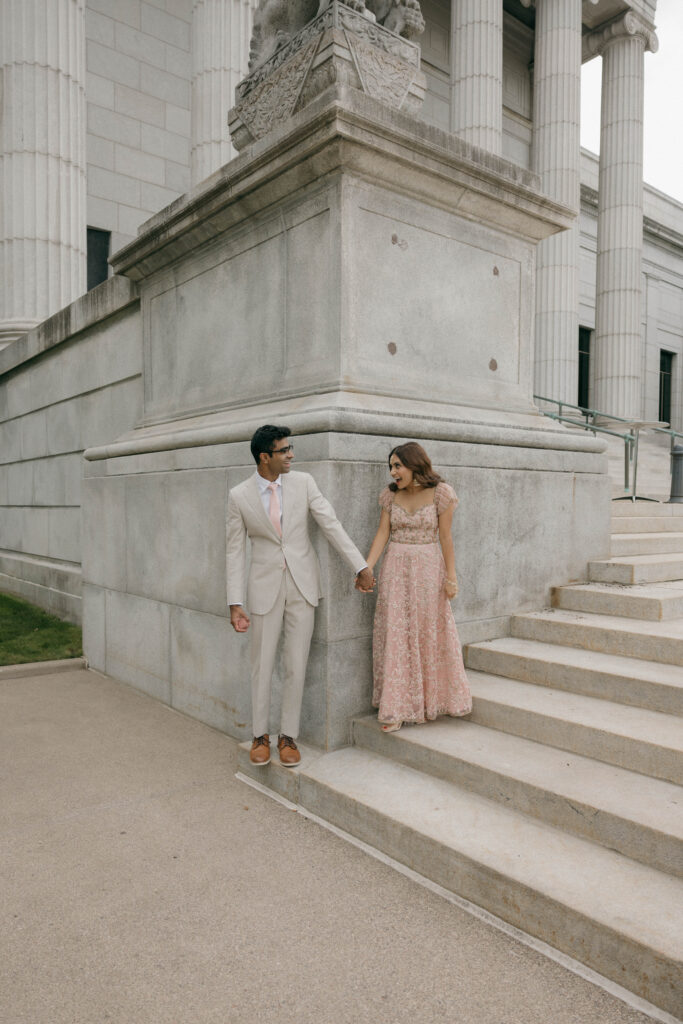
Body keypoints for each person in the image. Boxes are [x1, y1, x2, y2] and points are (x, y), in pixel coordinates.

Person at [227, 425, 375, 766]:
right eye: (284, 450)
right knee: (261, 665)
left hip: (303, 585)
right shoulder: (239, 496)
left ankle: (288, 736)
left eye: (290, 448)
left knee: (296, 663)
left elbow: (331, 525)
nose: (291, 454)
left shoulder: (304, 483)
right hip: (264, 588)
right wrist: (235, 603)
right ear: (265, 457)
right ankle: (260, 735)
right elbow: (234, 551)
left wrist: (359, 566)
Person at [360, 441, 472, 732]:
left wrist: (451, 577)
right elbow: (382, 532)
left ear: (414, 464)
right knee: (396, 632)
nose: (393, 471)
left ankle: (433, 700)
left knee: (427, 631)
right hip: (395, 568)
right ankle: (396, 707)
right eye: (391, 466)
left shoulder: (441, 494)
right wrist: (368, 566)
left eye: (398, 465)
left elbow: (446, 538)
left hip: (427, 570)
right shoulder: (389, 496)